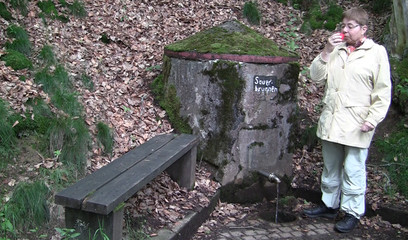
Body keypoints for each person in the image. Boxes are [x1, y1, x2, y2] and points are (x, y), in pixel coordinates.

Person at [302, 7, 392, 233]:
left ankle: (352, 212)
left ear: (363, 29)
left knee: (353, 169)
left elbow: (382, 92)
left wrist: (373, 119)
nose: (345, 30)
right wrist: (326, 50)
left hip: (358, 123)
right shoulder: (337, 50)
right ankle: (329, 204)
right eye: (343, 25)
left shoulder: (377, 53)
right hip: (333, 119)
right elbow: (315, 76)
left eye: (350, 26)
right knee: (331, 167)